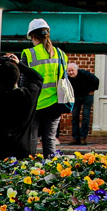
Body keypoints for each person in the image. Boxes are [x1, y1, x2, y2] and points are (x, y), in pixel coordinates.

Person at [18, 20, 67, 158]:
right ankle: (51, 170)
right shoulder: (61, 54)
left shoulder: (28, 53)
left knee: (31, 138)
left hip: (34, 104)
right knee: (50, 138)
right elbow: (63, 78)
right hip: (55, 104)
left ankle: (30, 169)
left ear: (33, 37)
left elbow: (24, 81)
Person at [68, 60, 99, 144]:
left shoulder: (85, 74)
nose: (71, 72)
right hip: (76, 97)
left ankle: (83, 137)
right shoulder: (67, 78)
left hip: (87, 95)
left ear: (76, 70)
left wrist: (92, 90)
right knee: (75, 116)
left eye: (72, 70)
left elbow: (96, 80)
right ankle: (75, 137)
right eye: (69, 71)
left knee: (85, 115)